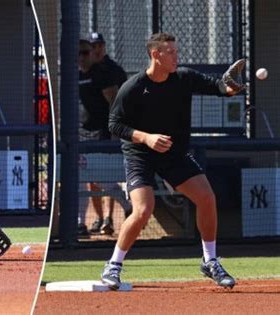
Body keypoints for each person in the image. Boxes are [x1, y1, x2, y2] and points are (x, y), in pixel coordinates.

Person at [101, 32, 244, 289]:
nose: (176, 56)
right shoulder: (133, 87)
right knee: (143, 209)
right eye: (171, 52)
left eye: (176, 51)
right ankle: (113, 265)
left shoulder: (184, 78)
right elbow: (115, 124)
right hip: (140, 153)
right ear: (156, 55)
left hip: (173, 154)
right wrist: (146, 138)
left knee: (207, 197)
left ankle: (210, 261)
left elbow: (218, 87)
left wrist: (231, 88)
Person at [87, 32, 130, 235]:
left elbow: (120, 100)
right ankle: (97, 218)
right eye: (92, 46)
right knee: (91, 176)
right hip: (88, 129)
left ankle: (109, 217)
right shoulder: (85, 70)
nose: (96, 49)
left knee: (107, 174)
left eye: (99, 45)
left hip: (109, 129)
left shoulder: (112, 70)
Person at [77, 38, 119, 236]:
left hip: (101, 132)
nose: (82, 57)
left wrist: (113, 130)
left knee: (103, 174)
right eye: (79, 53)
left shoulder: (102, 73)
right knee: (85, 177)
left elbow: (114, 102)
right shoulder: (74, 74)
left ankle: (113, 214)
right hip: (82, 132)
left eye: (86, 52)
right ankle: (89, 220)